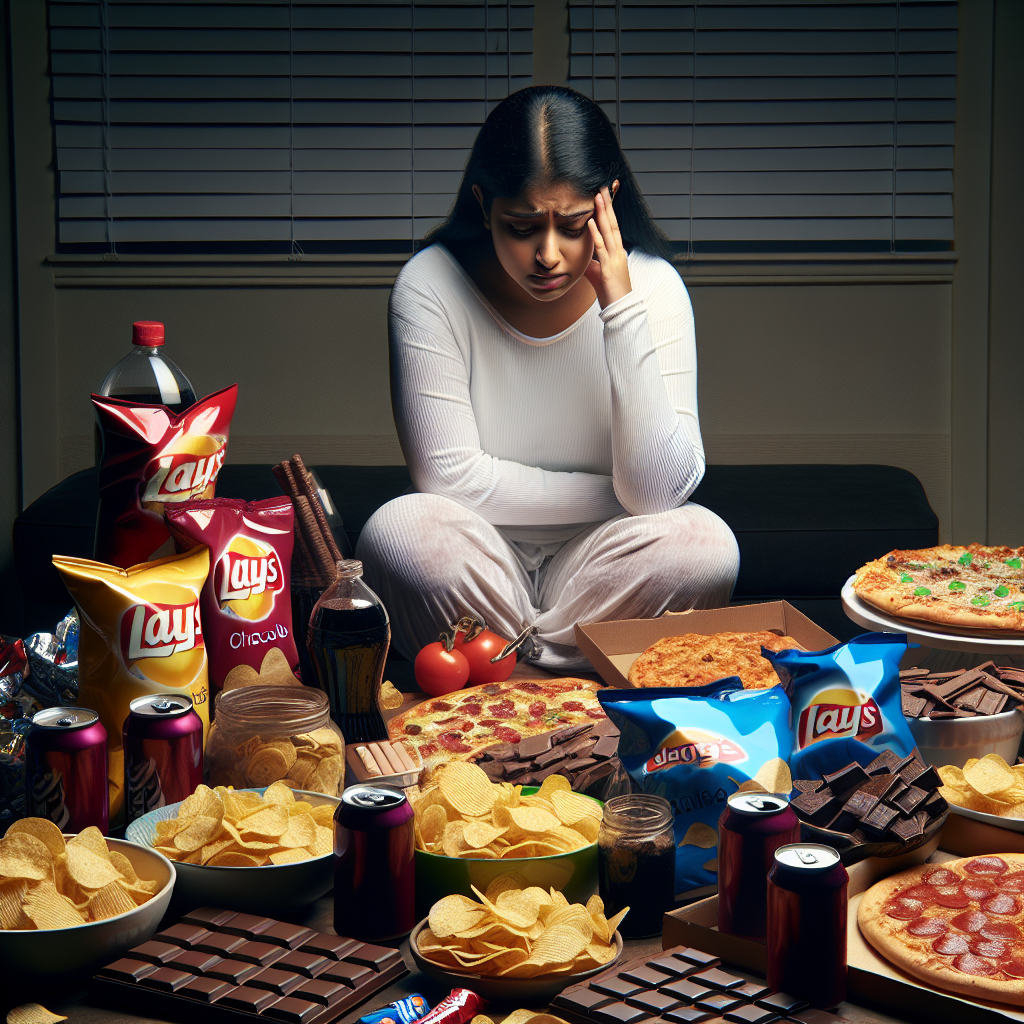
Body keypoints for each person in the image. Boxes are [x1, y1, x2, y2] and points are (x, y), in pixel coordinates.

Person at [356, 86, 739, 672]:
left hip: (602, 560)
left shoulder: (655, 287)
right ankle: (570, 664)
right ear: (483, 204)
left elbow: (658, 494)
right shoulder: (429, 284)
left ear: (608, 204)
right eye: (522, 227)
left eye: (575, 224)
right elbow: (446, 476)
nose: (549, 255)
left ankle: (513, 668)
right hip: (480, 552)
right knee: (400, 531)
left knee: (706, 546)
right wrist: (616, 495)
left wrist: (621, 308)